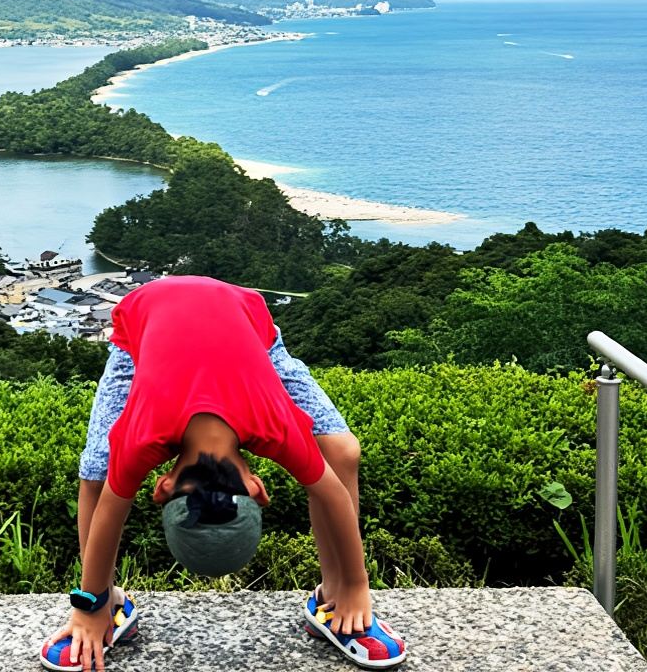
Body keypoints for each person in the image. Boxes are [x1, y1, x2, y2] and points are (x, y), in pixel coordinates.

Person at [39, 275, 407, 671]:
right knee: (98, 472)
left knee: (343, 452)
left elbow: (116, 507)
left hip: (250, 329)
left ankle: (336, 599)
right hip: (142, 334)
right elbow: (110, 503)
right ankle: (106, 602)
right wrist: (88, 606)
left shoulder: (272, 422)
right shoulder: (149, 434)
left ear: (160, 486)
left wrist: (356, 586)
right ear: (258, 487)